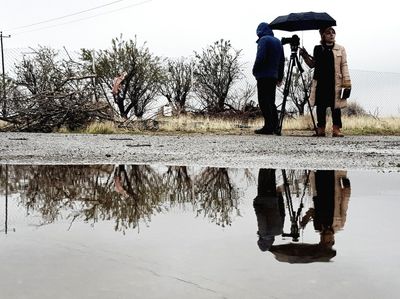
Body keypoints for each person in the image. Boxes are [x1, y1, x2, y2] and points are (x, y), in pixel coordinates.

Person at [300, 26, 352, 137]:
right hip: (321, 82)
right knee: (321, 106)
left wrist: (346, 82)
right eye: (328, 33)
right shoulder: (318, 48)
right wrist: (304, 55)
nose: (332, 35)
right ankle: (321, 129)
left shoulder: (340, 49)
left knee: (336, 107)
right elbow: (312, 64)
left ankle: (336, 129)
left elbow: (344, 65)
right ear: (323, 35)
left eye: (333, 33)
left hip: (334, 82)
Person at [252, 22, 285, 135]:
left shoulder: (264, 40)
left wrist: (255, 70)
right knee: (271, 101)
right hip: (274, 75)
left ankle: (268, 126)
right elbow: (282, 61)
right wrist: (280, 77)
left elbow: (260, 57)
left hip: (263, 75)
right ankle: (275, 126)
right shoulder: (278, 42)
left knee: (263, 101)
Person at [253, 168, 285, 251]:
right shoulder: (264, 233)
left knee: (271, 176)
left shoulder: (279, 231)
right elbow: (261, 217)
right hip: (263, 200)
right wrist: (256, 205)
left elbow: (282, 213)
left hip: (274, 199)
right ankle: (265, 157)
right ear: (261, 241)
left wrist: (280, 197)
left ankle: (274, 161)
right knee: (263, 174)